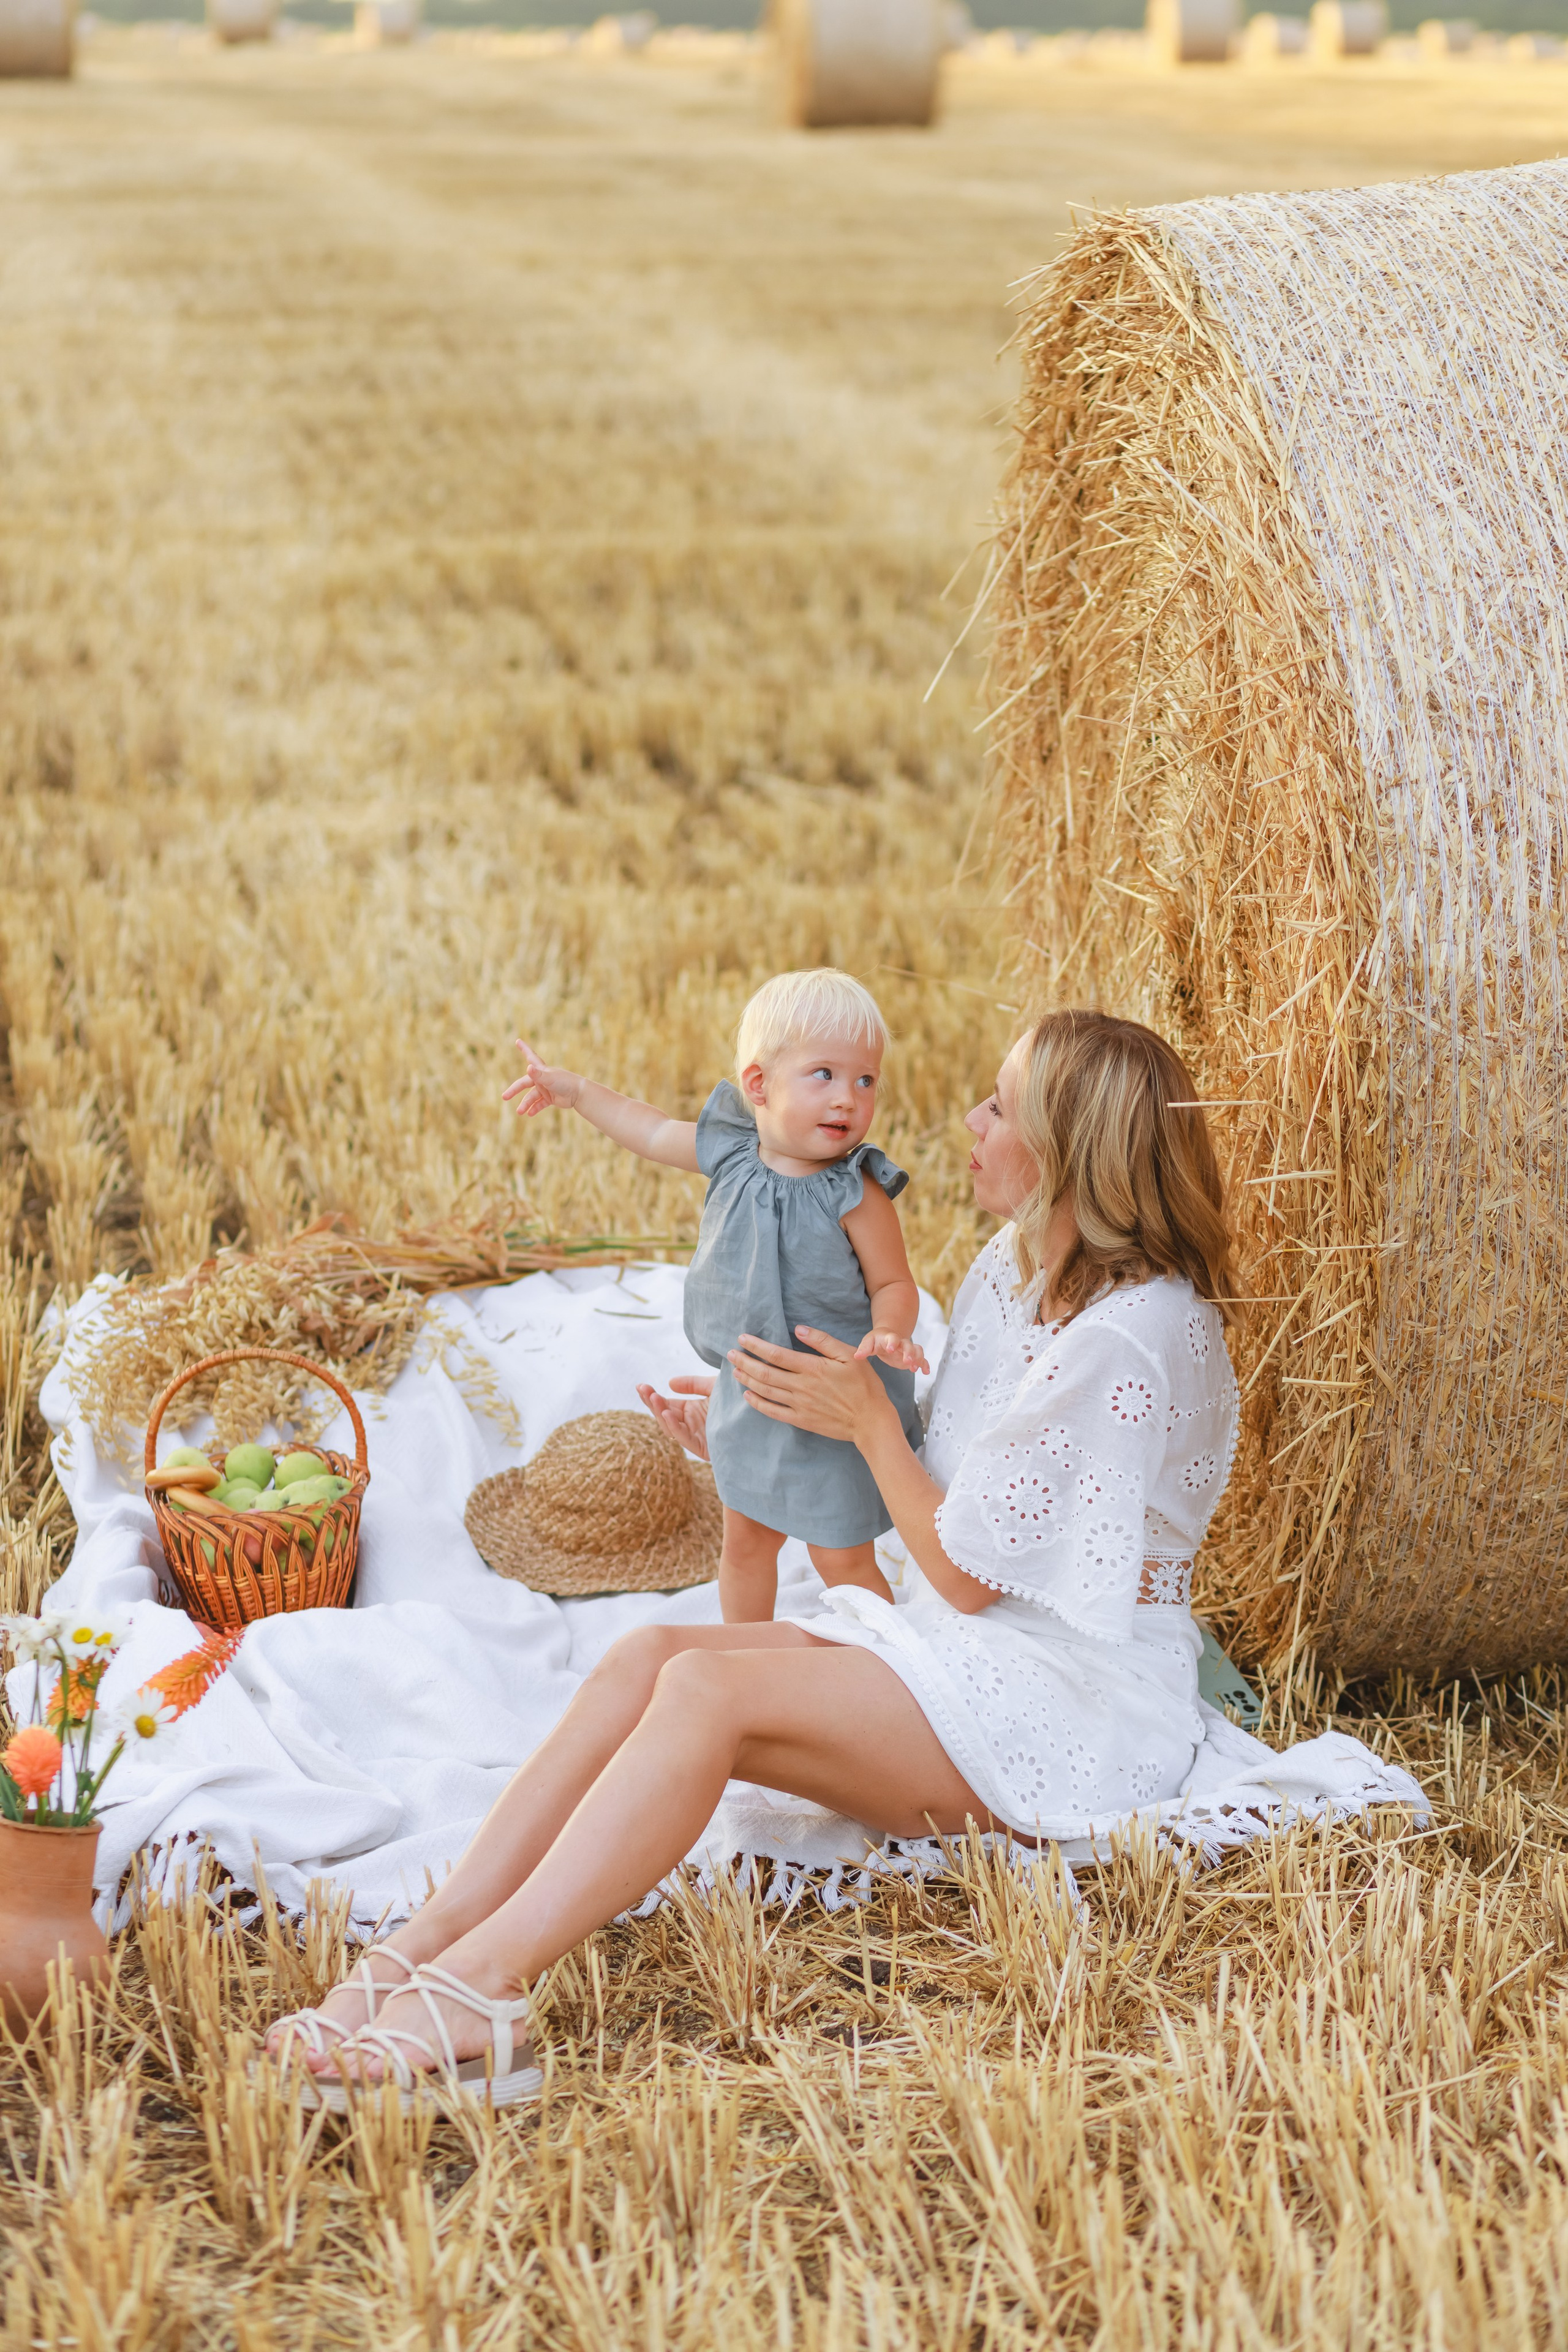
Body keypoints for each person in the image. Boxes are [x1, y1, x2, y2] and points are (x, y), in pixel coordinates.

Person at [266, 1008, 1242, 2109]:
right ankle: (426, 1943)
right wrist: (772, 1420)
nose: (969, 1121)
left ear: (1069, 1150)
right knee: (647, 1658)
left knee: (703, 1693)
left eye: (1000, 1105)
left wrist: (866, 1422)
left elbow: (972, 1570)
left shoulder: (1135, 1338)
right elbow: (959, 1477)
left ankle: (485, 1991)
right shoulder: (1016, 1271)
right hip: (967, 1645)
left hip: (1075, 1704)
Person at [502, 968, 928, 1623]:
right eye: (824, 1075)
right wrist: (577, 1092)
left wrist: (890, 1330)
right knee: (745, 1546)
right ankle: (743, 1656)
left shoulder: (857, 1192)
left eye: (864, 1079)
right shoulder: (731, 1153)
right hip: (751, 1394)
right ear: (758, 1085)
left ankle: (887, 1662)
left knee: (839, 1559)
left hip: (830, 1409)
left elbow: (893, 1282)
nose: (848, 1098)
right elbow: (646, 1131)